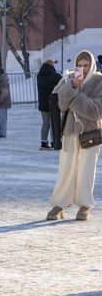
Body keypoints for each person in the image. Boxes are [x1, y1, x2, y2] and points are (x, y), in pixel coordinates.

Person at [47, 50, 102, 221]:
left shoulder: (99, 81)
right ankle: (59, 204)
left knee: (87, 169)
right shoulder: (67, 80)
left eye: (86, 65)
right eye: (80, 65)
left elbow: (95, 111)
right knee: (66, 168)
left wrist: (76, 96)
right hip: (70, 131)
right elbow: (61, 105)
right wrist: (72, 86)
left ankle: (85, 205)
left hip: (91, 131)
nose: (83, 69)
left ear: (91, 65)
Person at [37, 60, 63, 150]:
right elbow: (64, 83)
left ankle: (43, 142)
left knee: (45, 123)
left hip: (42, 103)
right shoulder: (56, 76)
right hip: (53, 103)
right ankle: (54, 142)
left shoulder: (39, 76)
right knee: (54, 123)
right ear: (52, 66)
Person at [0, 68, 12, 138]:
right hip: (4, 102)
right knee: (1, 118)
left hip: (3, 103)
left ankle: (2, 133)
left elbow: (4, 92)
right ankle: (2, 132)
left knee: (1, 118)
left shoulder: (2, 80)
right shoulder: (2, 79)